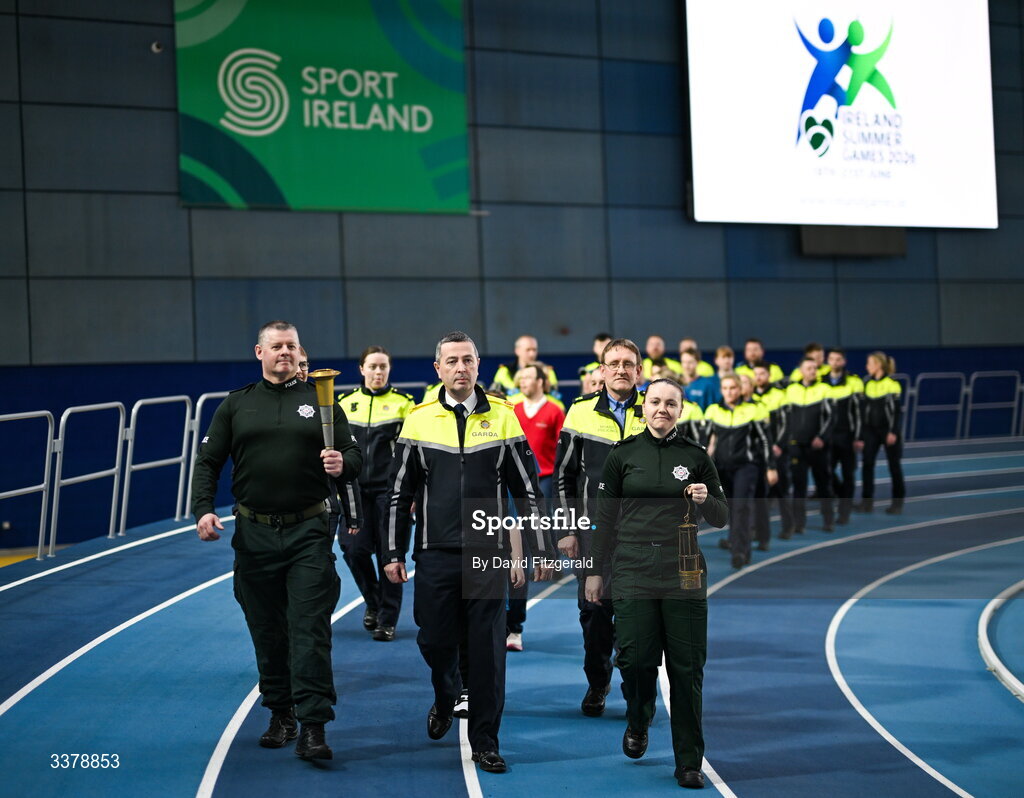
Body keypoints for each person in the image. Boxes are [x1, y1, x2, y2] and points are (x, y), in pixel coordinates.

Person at [191, 320, 362, 761]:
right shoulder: (236, 405)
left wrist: (343, 462)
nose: (285, 352)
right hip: (253, 535)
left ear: (299, 351)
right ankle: (280, 711)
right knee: (267, 631)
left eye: (292, 346)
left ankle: (313, 725)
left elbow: (356, 455)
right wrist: (203, 509)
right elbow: (208, 461)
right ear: (259, 352)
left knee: (309, 629)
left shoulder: (322, 401)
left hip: (309, 533)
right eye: (276, 346)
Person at [383, 331, 552, 774]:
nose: (461, 368)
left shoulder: (503, 416)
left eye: (468, 360)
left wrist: (538, 547)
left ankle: (486, 742)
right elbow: (399, 494)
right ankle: (445, 694)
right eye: (452, 361)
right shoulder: (417, 419)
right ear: (437, 369)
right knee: (434, 639)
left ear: (478, 366)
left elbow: (527, 487)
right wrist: (392, 551)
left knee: (489, 652)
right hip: (434, 553)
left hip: (488, 551)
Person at [584, 379, 728, 789]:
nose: (662, 409)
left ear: (681, 410)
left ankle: (688, 761)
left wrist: (705, 499)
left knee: (687, 669)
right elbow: (605, 519)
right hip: (631, 566)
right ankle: (638, 717)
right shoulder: (622, 455)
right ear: (643, 407)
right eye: (656, 402)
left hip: (683, 569)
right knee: (635, 660)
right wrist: (595, 571)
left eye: (671, 404)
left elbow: (721, 516)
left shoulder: (697, 457)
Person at [555, 338, 647, 718]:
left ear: (639, 371)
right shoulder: (578, 413)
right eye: (614, 363)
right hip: (592, 532)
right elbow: (564, 478)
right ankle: (598, 681)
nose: (621, 369)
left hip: (643, 536)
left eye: (628, 363)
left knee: (636, 619)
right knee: (594, 615)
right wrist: (567, 528)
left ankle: (635, 693)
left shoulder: (655, 410)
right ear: (602, 371)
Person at [336, 346, 415, 642]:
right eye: (373, 367)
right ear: (362, 369)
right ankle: (374, 601)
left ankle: (387, 619)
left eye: (383, 367)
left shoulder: (404, 405)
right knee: (353, 548)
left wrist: (415, 492)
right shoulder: (345, 403)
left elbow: (413, 453)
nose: (378, 372)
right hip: (354, 491)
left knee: (390, 555)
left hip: (390, 491)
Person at [507, 363, 565, 652]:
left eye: (529, 378)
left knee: (536, 533)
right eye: (522, 378)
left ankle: (543, 559)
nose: (524, 382)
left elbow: (563, 450)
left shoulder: (555, 410)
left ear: (541, 381)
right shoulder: (512, 408)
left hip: (543, 478)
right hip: (511, 483)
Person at [704, 374, 776, 568]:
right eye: (725, 388)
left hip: (747, 467)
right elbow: (704, 442)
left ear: (740, 389)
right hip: (722, 468)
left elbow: (765, 440)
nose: (729, 392)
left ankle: (739, 552)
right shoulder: (713, 411)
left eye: (733, 388)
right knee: (732, 509)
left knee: (741, 507)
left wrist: (771, 467)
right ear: (721, 390)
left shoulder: (753, 410)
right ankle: (742, 548)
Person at [784, 357, 835, 533]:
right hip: (797, 446)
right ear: (801, 370)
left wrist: (822, 437)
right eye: (809, 368)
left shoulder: (825, 389)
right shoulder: (791, 390)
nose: (812, 371)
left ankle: (828, 520)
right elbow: (786, 419)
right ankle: (799, 523)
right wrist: (789, 439)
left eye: (815, 368)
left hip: (818, 446)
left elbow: (830, 417)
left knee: (823, 484)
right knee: (799, 485)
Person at [856, 351, 905, 514]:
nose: (866, 367)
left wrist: (892, 431)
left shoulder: (892, 384)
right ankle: (867, 501)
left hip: (888, 431)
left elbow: (895, 412)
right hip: (871, 431)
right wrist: (861, 435)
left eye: (869, 363)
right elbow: (863, 411)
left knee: (894, 466)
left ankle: (897, 503)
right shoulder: (867, 383)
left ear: (878, 365)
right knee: (867, 464)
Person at [751, 364, 795, 541]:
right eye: (756, 374)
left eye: (762, 373)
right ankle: (756, 530)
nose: (759, 377)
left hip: (778, 452)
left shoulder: (779, 395)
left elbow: (786, 423)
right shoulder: (751, 397)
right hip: (760, 454)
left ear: (768, 375)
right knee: (759, 494)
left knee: (781, 490)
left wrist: (778, 445)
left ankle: (788, 525)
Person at [824, 348, 863, 524]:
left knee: (849, 474)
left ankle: (844, 511)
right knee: (827, 472)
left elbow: (858, 414)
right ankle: (842, 496)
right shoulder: (821, 382)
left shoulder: (853, 382)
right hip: (827, 437)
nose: (835, 362)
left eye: (838, 359)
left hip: (847, 436)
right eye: (832, 359)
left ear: (843, 362)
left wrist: (858, 436)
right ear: (828, 361)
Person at [490, 335, 558, 397]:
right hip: (510, 409)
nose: (532, 354)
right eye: (528, 350)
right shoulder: (504, 371)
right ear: (517, 351)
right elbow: (494, 395)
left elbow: (554, 395)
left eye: (534, 350)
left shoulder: (548, 371)